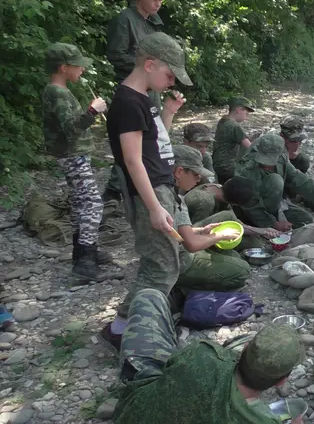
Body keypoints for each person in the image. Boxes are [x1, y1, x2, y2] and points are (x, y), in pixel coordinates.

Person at [99, 32, 192, 351]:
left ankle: (141, 322)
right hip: (149, 193)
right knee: (162, 267)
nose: (171, 81)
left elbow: (156, 143)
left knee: (164, 261)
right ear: (150, 64)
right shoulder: (127, 102)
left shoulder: (143, 99)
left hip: (159, 188)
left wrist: (168, 112)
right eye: (169, 74)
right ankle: (122, 328)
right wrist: (154, 207)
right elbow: (132, 159)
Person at [113, 289, 305, 423]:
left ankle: (115, 335)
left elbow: (171, 368)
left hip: (132, 415)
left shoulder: (203, 355)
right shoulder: (262, 420)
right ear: (282, 381)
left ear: (245, 348)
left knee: (150, 297)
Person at [42, 43, 111, 282]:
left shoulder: (56, 91)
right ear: (63, 67)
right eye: (78, 65)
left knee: (81, 204)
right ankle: (85, 263)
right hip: (72, 156)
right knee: (92, 204)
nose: (82, 69)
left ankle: (83, 252)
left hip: (71, 155)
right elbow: (72, 129)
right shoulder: (58, 92)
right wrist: (93, 111)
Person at [103, 0, 165, 204]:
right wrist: (146, 68)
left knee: (155, 134)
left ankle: (148, 180)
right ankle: (115, 187)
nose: (158, 4)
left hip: (152, 85)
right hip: (133, 86)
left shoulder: (154, 22)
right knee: (132, 138)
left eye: (160, 0)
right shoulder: (125, 19)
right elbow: (116, 55)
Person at [170, 145, 253, 292]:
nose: (199, 179)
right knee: (243, 270)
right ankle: (182, 288)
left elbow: (175, 232)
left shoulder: (172, 194)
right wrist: (218, 236)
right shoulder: (170, 199)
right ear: (179, 172)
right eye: (196, 174)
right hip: (175, 260)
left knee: (235, 255)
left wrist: (200, 230)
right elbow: (191, 245)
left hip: (180, 247)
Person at [234, 134, 314, 232]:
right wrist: (272, 224)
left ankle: (275, 217)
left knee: (305, 220)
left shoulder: (282, 159)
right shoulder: (247, 169)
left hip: (274, 204)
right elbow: (249, 204)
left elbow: (301, 181)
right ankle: (263, 224)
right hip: (250, 210)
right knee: (276, 180)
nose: (267, 165)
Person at [212, 97, 255, 184]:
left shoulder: (223, 121)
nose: (246, 118)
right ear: (238, 110)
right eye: (246, 114)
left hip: (217, 164)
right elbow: (251, 148)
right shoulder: (235, 126)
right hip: (228, 167)